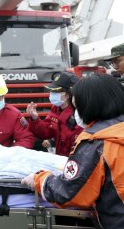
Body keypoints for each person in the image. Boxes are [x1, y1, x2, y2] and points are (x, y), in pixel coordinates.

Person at [21, 74, 124, 228]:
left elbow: (68, 192)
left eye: (78, 106)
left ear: (90, 105)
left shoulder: (96, 144)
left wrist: (39, 179)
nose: (76, 111)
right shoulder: (115, 132)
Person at [26, 72, 83, 156]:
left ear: (67, 95)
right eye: (51, 91)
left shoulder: (78, 114)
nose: (52, 94)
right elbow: (47, 131)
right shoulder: (56, 108)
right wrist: (35, 118)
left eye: (56, 92)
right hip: (60, 158)